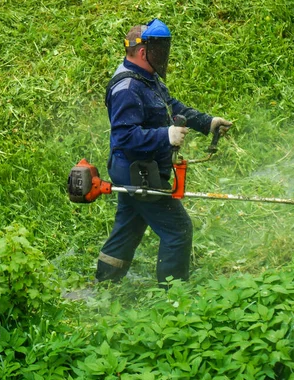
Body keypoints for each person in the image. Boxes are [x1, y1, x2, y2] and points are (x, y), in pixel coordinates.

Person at [96, 19, 232, 285]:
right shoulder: (128, 88)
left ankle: (104, 285)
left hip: (135, 169)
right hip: (138, 172)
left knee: (129, 227)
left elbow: (171, 106)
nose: (164, 56)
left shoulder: (147, 78)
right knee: (178, 230)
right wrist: (165, 135)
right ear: (144, 52)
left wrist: (207, 122)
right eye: (159, 50)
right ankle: (173, 298)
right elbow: (123, 136)